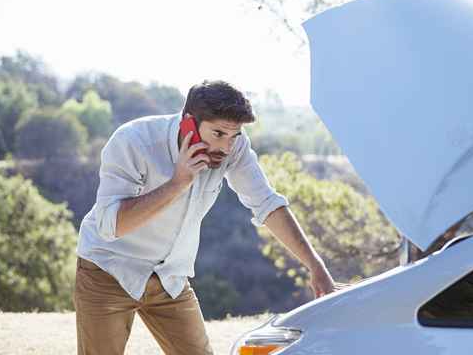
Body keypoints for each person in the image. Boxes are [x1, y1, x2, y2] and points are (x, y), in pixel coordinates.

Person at [74, 79, 336, 355]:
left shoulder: (233, 147)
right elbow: (110, 225)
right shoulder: (134, 141)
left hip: (169, 278)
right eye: (218, 134)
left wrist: (314, 265)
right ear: (188, 123)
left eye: (233, 136)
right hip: (109, 270)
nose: (225, 147)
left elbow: (266, 203)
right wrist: (177, 182)